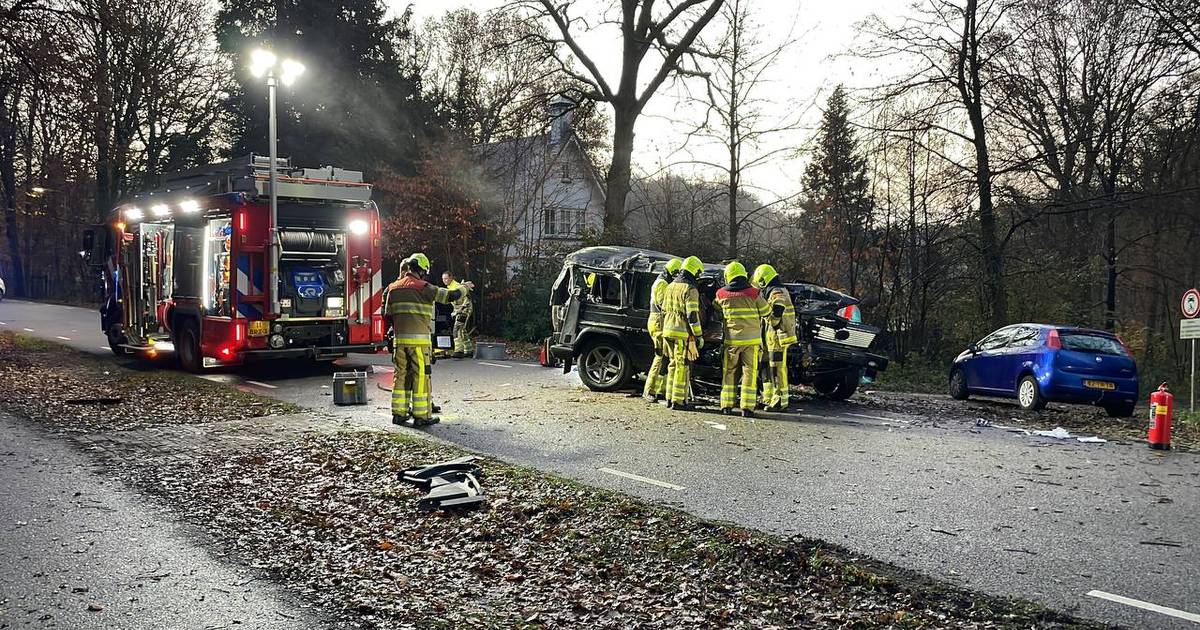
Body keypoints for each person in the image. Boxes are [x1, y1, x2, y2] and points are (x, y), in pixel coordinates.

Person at [384, 252, 473, 426]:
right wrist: (464, 287)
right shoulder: (423, 287)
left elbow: (387, 314)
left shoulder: (392, 288)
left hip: (399, 342)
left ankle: (399, 414)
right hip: (418, 343)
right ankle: (421, 416)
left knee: (400, 375)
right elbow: (450, 296)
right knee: (421, 376)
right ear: (423, 270)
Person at [713, 261, 770, 418]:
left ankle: (726, 405)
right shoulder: (754, 293)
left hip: (731, 342)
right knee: (749, 373)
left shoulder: (721, 294)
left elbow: (715, 307)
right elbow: (766, 311)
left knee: (729, 372)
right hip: (751, 342)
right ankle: (747, 408)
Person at [661, 256, 705, 410]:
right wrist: (698, 336)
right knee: (682, 366)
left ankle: (669, 398)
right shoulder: (690, 289)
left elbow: (663, 310)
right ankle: (678, 401)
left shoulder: (670, 286)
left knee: (672, 365)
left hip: (667, 330)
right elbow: (692, 315)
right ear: (695, 271)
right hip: (681, 333)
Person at [752, 264, 797, 410]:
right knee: (766, 367)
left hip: (778, 336)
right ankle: (768, 397)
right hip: (770, 337)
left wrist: (774, 320)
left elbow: (778, 305)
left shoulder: (776, 291)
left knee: (777, 368)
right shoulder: (773, 289)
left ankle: (779, 400)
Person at [643, 258, 683, 402]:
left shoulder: (663, 281)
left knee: (667, 357)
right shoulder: (661, 283)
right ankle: (649, 390)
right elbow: (662, 304)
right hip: (658, 323)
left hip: (661, 322)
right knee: (660, 357)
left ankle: (660, 390)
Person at [442, 270, 475, 358]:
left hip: (465, 309)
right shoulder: (450, 287)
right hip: (461, 310)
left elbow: (466, 299)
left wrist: (460, 310)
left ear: (451, 278)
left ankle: (459, 350)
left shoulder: (456, 286)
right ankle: (469, 350)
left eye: (446, 278)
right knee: (462, 330)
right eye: (443, 279)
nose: (444, 280)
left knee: (457, 329)